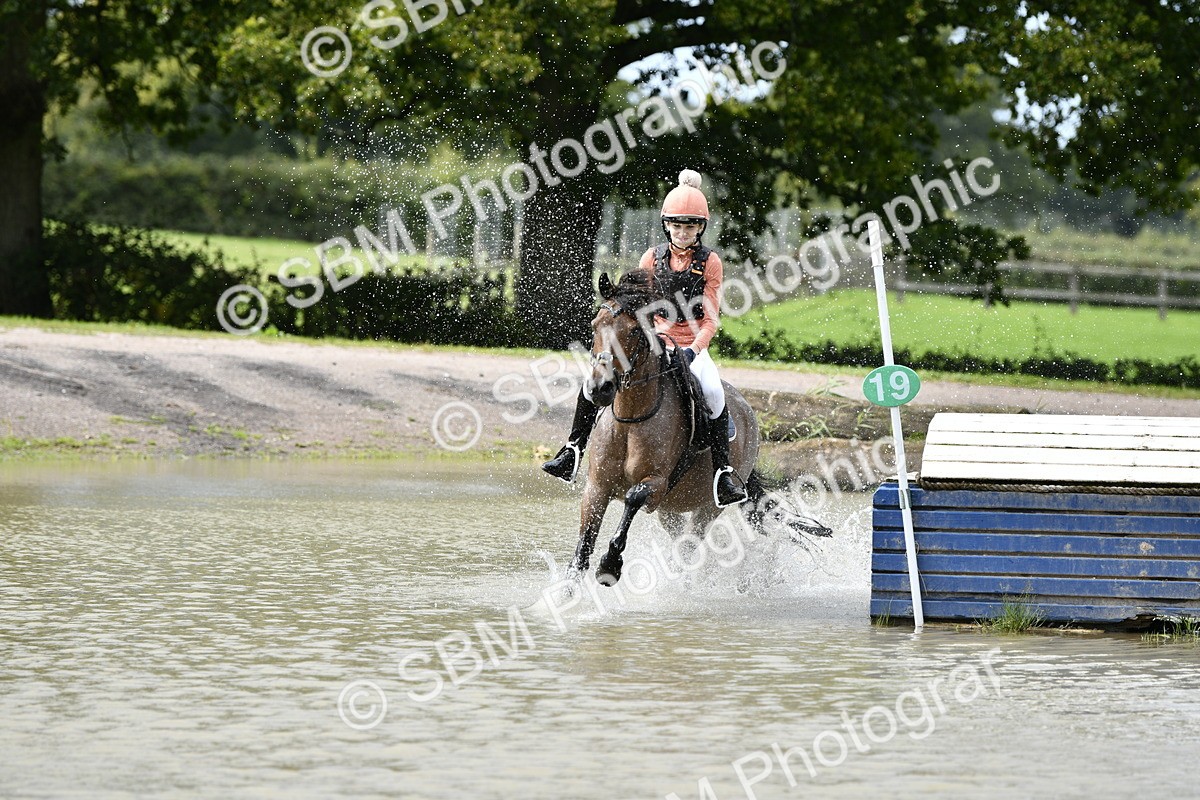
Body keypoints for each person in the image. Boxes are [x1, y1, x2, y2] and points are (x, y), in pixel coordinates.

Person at [541, 169, 749, 508]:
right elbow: (641, 309)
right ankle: (572, 450)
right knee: (592, 381)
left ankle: (723, 473)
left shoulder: (710, 262)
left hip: (693, 345)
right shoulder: (651, 258)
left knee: (712, 392)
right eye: (677, 226)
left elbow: (710, 320)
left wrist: (694, 351)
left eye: (690, 227)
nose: (683, 233)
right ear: (667, 225)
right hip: (655, 340)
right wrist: (657, 338)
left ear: (700, 228)